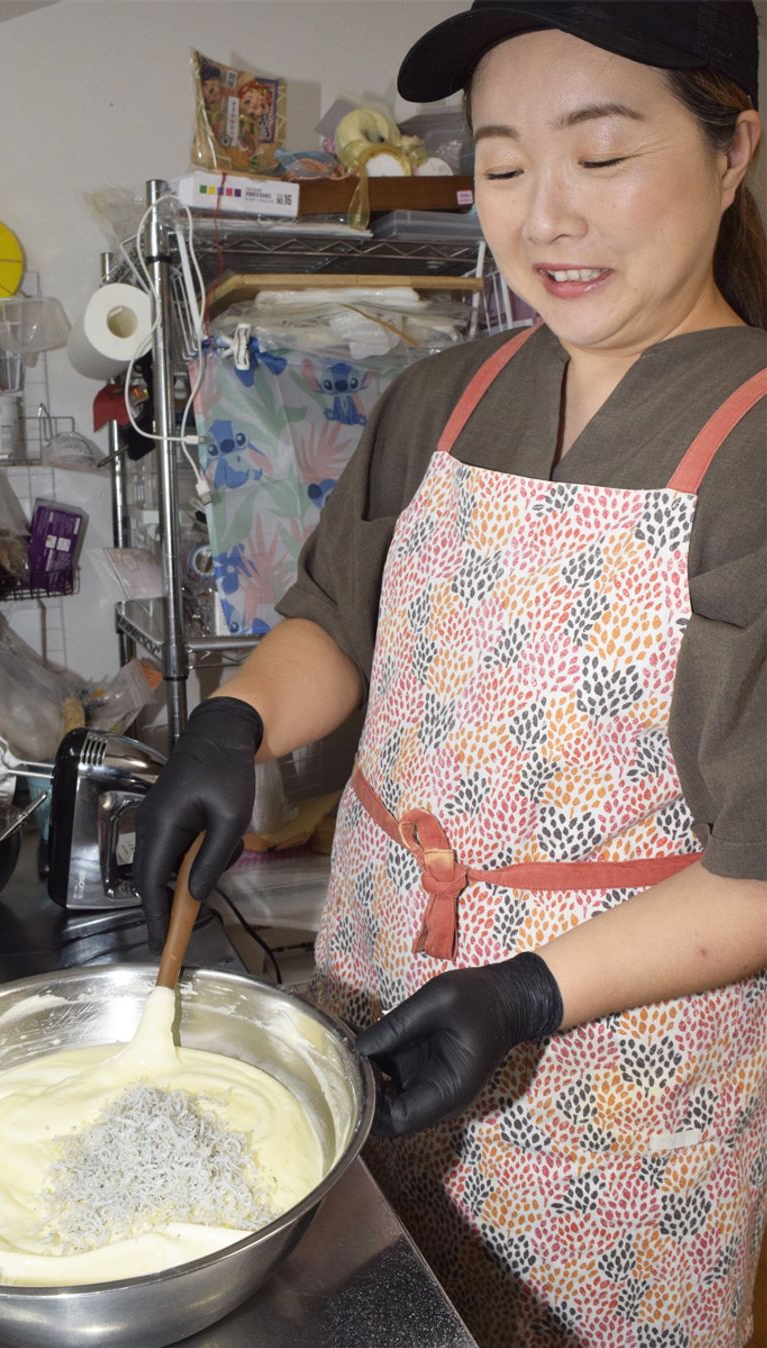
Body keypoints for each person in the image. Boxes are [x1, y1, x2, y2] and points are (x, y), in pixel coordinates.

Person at [133, 2, 767, 1342]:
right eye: (499, 164)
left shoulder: (753, 447)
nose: (545, 218)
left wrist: (526, 993)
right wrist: (234, 727)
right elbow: (334, 619)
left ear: (733, 151)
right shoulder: (446, 396)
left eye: (600, 158)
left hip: (615, 1076)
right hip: (380, 991)